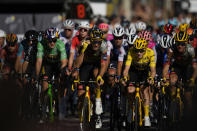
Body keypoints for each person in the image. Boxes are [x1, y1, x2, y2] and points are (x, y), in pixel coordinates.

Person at [72, 27, 107, 128]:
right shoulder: (85, 44)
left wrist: (100, 76)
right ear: (90, 40)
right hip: (85, 64)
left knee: (97, 79)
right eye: (94, 42)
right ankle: (81, 121)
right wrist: (76, 70)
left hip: (96, 64)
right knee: (80, 93)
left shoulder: (104, 45)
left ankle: (98, 106)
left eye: (98, 42)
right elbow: (79, 59)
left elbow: (104, 64)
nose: (96, 44)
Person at [36, 27, 67, 123]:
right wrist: (37, 76)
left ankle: (60, 106)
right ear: (46, 39)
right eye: (50, 40)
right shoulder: (41, 44)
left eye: (54, 40)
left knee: (60, 83)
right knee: (44, 86)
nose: (52, 43)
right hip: (48, 65)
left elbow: (64, 61)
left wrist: (61, 72)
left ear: (57, 39)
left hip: (58, 65)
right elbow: (39, 61)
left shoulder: (60, 44)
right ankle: (43, 109)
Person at [122, 38, 156, 127]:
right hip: (134, 71)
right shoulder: (131, 51)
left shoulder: (150, 53)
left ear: (145, 49)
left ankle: (147, 116)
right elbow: (126, 68)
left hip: (145, 72)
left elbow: (153, 70)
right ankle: (130, 109)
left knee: (144, 91)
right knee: (130, 90)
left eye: (141, 51)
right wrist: (125, 77)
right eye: (137, 51)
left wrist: (151, 78)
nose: (138, 53)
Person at [162, 31, 197, 117]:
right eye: (178, 43)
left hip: (187, 68)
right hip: (177, 67)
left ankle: (189, 118)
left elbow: (195, 67)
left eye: (182, 44)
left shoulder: (191, 50)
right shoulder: (171, 49)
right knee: (172, 81)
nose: (180, 46)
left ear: (185, 43)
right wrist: (164, 77)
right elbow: (166, 65)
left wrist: (192, 79)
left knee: (188, 96)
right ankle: (173, 102)